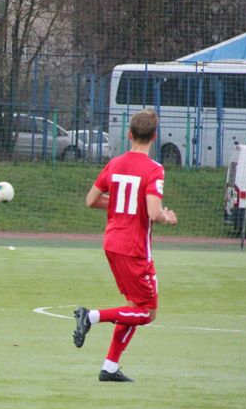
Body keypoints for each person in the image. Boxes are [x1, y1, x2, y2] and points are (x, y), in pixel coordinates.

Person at [73, 109, 178, 382]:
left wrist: (123, 204)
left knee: (133, 306)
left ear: (130, 134)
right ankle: (91, 316)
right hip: (134, 248)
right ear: (154, 137)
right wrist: (167, 218)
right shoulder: (155, 169)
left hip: (112, 242)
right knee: (146, 312)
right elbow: (154, 212)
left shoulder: (115, 163)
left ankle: (109, 367)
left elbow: (90, 200)